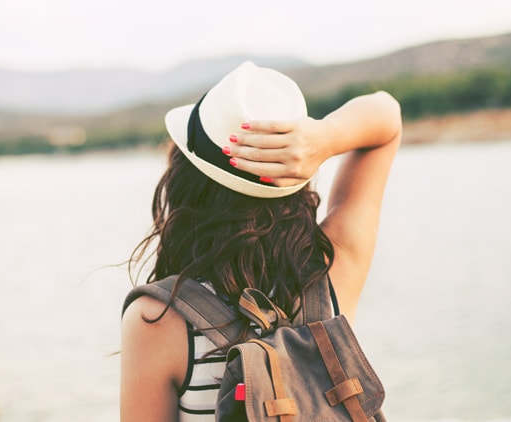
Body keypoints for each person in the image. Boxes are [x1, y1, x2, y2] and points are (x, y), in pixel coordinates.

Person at [121, 61, 401, 421]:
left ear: (185, 181)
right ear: (297, 177)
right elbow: (387, 116)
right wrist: (326, 137)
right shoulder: (335, 271)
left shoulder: (156, 320)